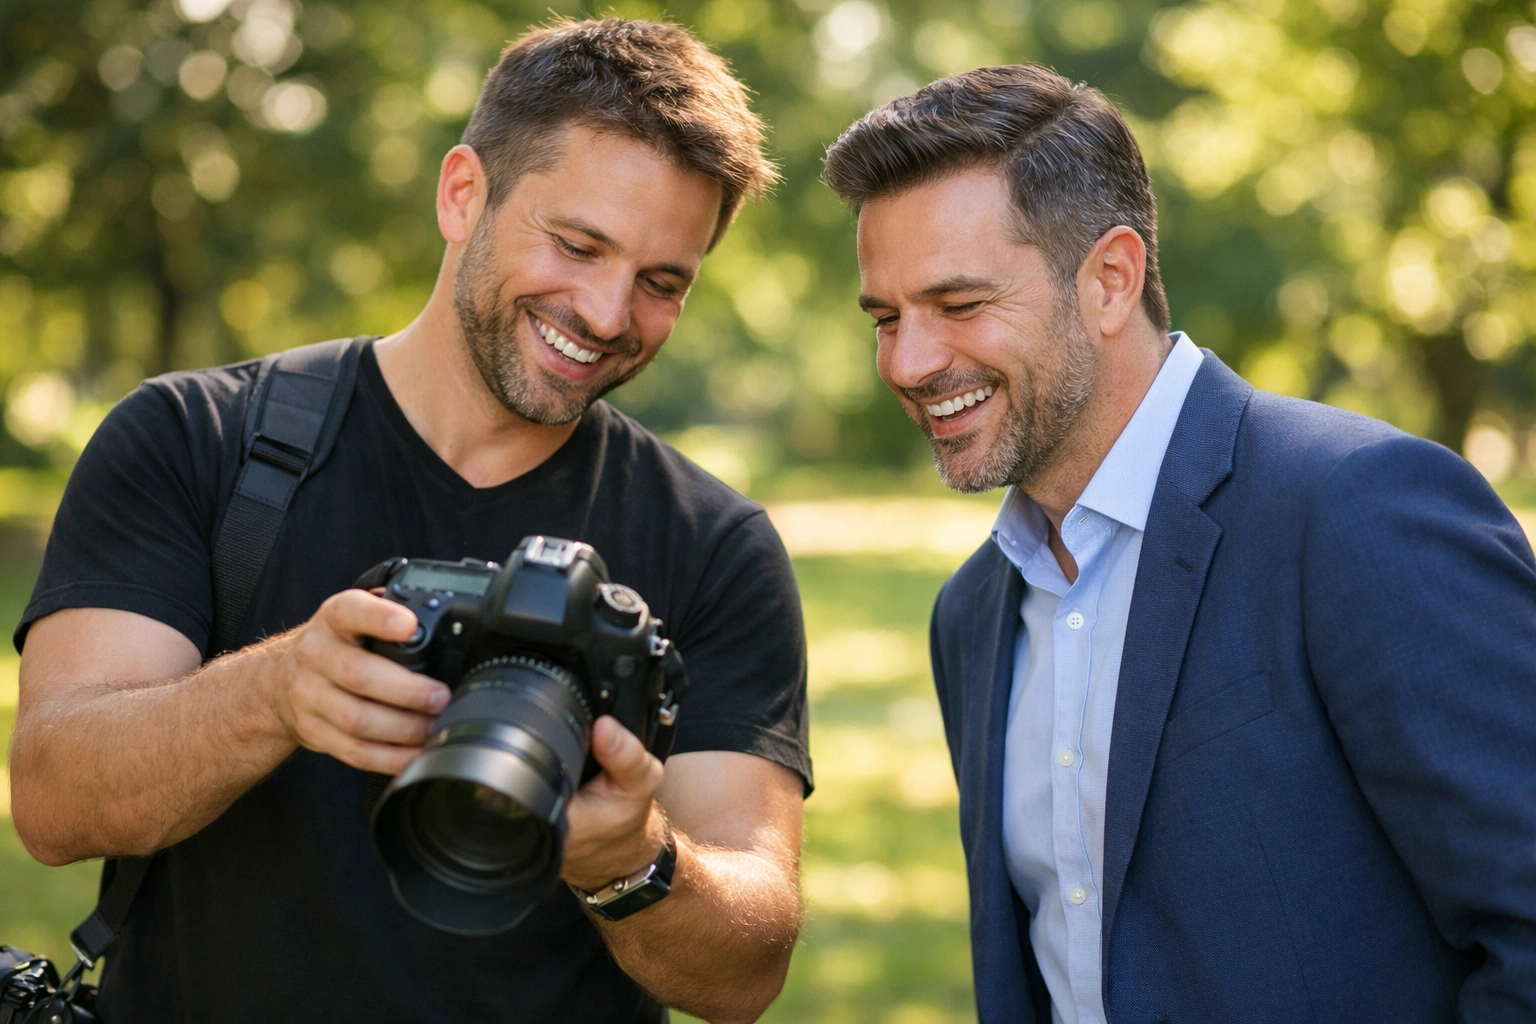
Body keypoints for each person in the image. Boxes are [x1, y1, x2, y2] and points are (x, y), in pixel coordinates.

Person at [11, 19, 810, 1024]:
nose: (608, 314)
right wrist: (277, 690)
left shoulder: (714, 545)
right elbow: (51, 798)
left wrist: (633, 859)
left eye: (662, 283)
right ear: (463, 193)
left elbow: (748, 971)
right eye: (576, 244)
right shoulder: (195, 441)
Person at [823, 64, 1536, 1023]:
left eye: (957, 306)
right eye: (885, 318)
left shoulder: (1357, 508)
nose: (908, 362)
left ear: (1110, 280)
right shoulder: (972, 615)